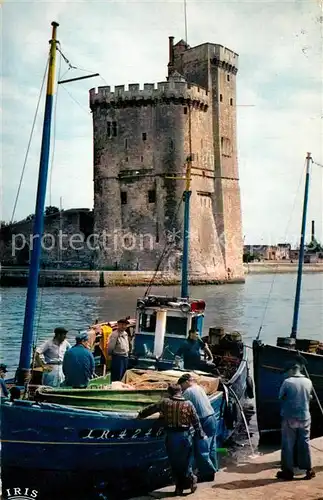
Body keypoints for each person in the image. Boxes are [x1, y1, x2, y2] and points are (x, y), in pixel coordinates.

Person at [137, 383, 205, 495]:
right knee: (186, 461)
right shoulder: (188, 404)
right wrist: (200, 433)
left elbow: (151, 409)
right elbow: (196, 421)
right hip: (185, 435)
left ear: (169, 393)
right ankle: (191, 478)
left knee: (174, 463)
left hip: (172, 436)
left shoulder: (165, 402)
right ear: (180, 392)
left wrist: (140, 414)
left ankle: (179, 486)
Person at [276, 359, 316, 481]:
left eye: (287, 371)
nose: (286, 373)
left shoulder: (287, 382)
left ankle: (288, 471)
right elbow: (310, 396)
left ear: (292, 370)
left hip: (290, 417)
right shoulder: (308, 381)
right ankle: (308, 470)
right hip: (304, 417)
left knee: (288, 444)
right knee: (304, 442)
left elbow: (280, 397)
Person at [178, 373, 217, 481]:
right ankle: (213, 468)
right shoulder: (199, 388)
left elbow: (179, 402)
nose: (181, 388)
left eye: (181, 385)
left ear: (186, 382)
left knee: (201, 448)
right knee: (211, 447)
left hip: (203, 420)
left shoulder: (188, 392)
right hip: (212, 417)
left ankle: (207, 474)